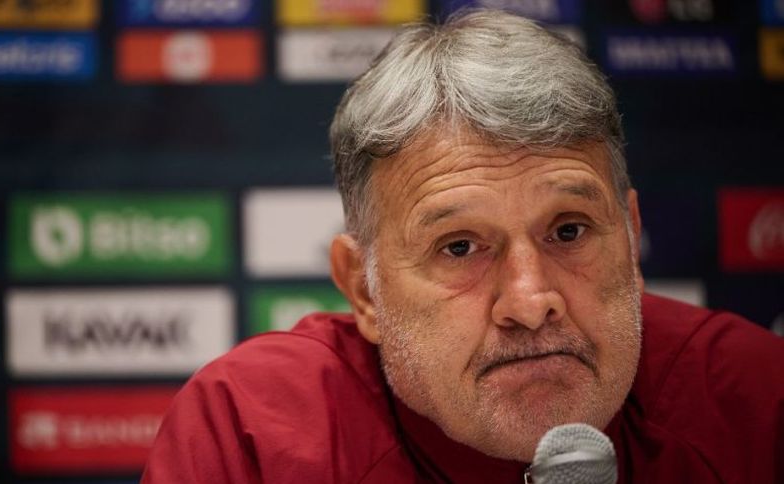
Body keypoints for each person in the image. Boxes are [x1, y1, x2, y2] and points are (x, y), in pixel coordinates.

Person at [142, 9, 784, 483]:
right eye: (458, 247)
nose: (531, 302)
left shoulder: (753, 404)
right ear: (364, 289)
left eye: (568, 231)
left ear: (630, 238)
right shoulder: (253, 435)